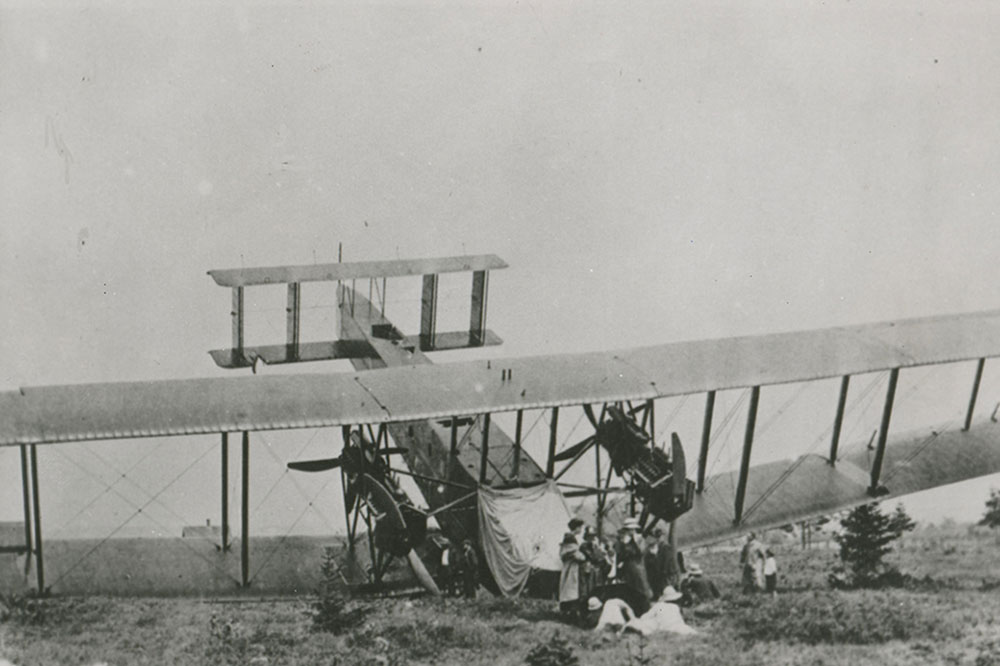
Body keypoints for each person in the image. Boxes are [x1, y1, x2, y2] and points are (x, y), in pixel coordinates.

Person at [624, 585, 698, 637]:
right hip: (678, 625)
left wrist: (642, 618)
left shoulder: (660, 606)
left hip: (666, 627)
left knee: (650, 621)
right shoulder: (675, 607)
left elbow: (646, 616)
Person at [616, 517, 653, 601]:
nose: (631, 531)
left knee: (642, 586)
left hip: (638, 565)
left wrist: (636, 542)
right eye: (628, 529)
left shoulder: (639, 539)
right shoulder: (623, 541)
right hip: (628, 567)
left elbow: (642, 552)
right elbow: (620, 554)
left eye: (632, 529)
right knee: (630, 588)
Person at [559, 521, 587, 616]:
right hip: (572, 567)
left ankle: (568, 611)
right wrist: (583, 557)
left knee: (569, 588)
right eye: (580, 527)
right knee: (571, 588)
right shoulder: (570, 538)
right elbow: (576, 554)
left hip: (570, 566)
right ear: (576, 528)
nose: (581, 530)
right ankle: (571, 611)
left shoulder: (569, 538)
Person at [643, 528, 668, 599]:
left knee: (659, 585)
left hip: (657, 572)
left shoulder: (662, 547)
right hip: (654, 573)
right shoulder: (649, 552)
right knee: (656, 586)